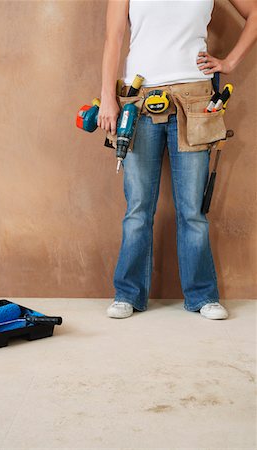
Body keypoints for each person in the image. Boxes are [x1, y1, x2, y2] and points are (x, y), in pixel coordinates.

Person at [98, 0, 257, 320]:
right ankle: (128, 292)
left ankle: (202, 295)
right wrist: (107, 97)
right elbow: (113, 38)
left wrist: (229, 62)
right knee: (138, 207)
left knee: (192, 210)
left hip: (196, 100)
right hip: (139, 101)